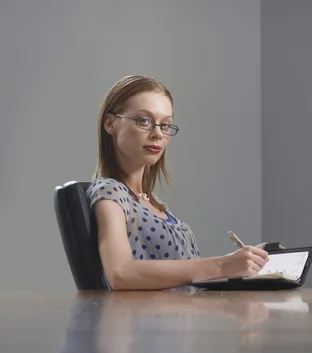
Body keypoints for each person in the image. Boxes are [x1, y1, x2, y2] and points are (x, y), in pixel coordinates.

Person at [87, 75, 269, 290]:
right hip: (148, 322)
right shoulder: (110, 192)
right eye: (143, 121)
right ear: (110, 123)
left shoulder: (151, 200)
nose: (157, 134)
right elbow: (121, 273)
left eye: (165, 125)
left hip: (183, 318)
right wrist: (223, 265)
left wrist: (243, 260)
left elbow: (179, 271)